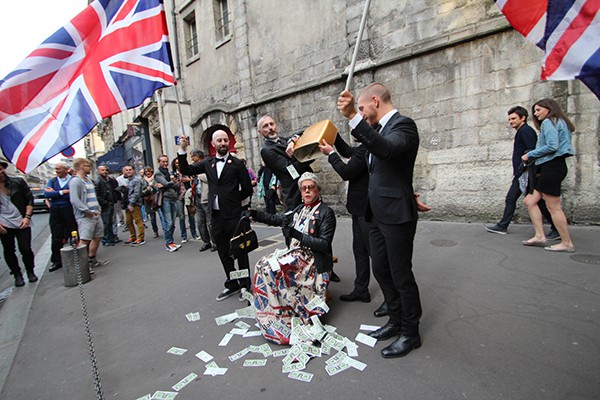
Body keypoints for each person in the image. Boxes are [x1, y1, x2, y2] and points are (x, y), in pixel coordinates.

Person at [337, 82, 422, 358]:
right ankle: (395, 320)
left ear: (375, 101)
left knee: (401, 275)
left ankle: (410, 332)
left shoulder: (403, 125)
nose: (361, 112)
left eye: (362, 108)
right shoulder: (376, 131)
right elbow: (380, 166)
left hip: (397, 217)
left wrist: (353, 116)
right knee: (381, 270)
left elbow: (387, 150)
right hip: (375, 214)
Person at [245, 172, 335, 344]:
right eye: (304, 189)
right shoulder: (299, 209)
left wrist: (297, 235)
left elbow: (324, 244)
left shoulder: (326, 212)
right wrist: (254, 214)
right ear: (300, 192)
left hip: (312, 259)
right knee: (261, 266)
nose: (307, 191)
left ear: (318, 190)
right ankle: (272, 313)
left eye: (311, 188)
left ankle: (288, 314)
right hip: (294, 254)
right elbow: (277, 219)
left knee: (272, 269)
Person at [178, 130, 253, 301]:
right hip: (216, 216)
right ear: (213, 144)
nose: (223, 143)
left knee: (240, 251)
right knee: (223, 252)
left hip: (233, 215)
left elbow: (247, 188)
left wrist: (233, 201)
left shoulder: (237, 163)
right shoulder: (207, 163)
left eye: (225, 140)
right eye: (219, 140)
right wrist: (183, 149)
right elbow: (186, 169)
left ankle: (244, 284)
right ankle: (232, 282)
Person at [486, 106, 558, 238]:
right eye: (509, 119)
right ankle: (556, 228)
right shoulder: (522, 131)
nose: (511, 121)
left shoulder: (525, 131)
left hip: (525, 173)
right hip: (523, 172)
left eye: (513, 118)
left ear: (523, 118)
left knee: (514, 199)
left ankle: (503, 226)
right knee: (535, 201)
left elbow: (532, 150)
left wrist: (527, 170)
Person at [319, 135, 372, 303]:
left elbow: (346, 172)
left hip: (367, 210)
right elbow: (348, 151)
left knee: (376, 256)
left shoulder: (368, 146)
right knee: (360, 251)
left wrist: (331, 154)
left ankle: (392, 298)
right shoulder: (364, 146)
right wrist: (333, 135)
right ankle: (361, 289)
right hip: (359, 210)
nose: (353, 125)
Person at [521, 99, 576, 252]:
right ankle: (540, 236)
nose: (536, 114)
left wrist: (530, 155)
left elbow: (552, 145)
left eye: (538, 110)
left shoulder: (548, 122)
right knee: (530, 200)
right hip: (554, 167)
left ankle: (567, 243)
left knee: (554, 207)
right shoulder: (561, 122)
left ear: (549, 108)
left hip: (551, 167)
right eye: (535, 111)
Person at [258, 115, 313, 210]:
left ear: (276, 126)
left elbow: (303, 132)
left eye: (271, 124)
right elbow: (291, 170)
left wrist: (293, 140)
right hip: (294, 193)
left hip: (308, 186)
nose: (270, 128)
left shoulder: (283, 140)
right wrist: (309, 155)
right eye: (265, 126)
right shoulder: (266, 150)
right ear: (260, 132)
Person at [0, 161, 37, 287]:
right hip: (4, 224)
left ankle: (30, 271)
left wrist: (27, 217)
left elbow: (30, 200)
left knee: (25, 248)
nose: (0, 173)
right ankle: (17, 274)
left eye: (1, 169)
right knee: (9, 250)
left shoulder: (18, 182)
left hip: (22, 221)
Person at [69, 158, 109, 271]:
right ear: (81, 166)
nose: (89, 167)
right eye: (87, 165)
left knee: (98, 236)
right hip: (86, 216)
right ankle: (82, 266)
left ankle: (92, 259)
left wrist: (98, 209)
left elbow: (93, 196)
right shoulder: (76, 181)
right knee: (84, 239)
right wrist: (87, 211)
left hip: (96, 214)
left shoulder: (88, 180)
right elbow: (74, 199)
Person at [44, 162, 77, 271]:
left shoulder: (73, 180)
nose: (56, 171)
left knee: (74, 232)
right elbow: (47, 194)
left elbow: (74, 194)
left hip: (69, 208)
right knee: (56, 236)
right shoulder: (52, 181)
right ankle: (57, 261)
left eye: (58, 169)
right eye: (56, 169)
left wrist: (56, 193)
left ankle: (77, 256)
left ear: (66, 169)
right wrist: (63, 192)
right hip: (55, 210)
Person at [154, 155, 181, 252]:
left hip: (173, 198)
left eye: (166, 161)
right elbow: (167, 183)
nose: (165, 164)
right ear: (159, 162)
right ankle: (168, 243)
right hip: (165, 199)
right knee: (168, 223)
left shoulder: (169, 172)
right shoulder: (158, 173)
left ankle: (171, 242)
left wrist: (170, 183)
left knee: (173, 223)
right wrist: (170, 182)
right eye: (163, 162)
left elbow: (177, 185)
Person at [190, 150, 215, 252]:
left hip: (206, 197)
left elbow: (210, 178)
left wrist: (198, 175)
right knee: (200, 221)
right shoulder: (194, 167)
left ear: (197, 156)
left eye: (193, 156)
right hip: (197, 197)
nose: (191, 159)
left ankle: (215, 242)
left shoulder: (208, 165)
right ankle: (206, 241)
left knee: (210, 222)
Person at [94, 165, 119, 246]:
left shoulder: (107, 180)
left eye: (106, 170)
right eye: (102, 170)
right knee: (106, 223)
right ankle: (106, 239)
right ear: (98, 171)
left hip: (110, 203)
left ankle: (111, 238)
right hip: (105, 205)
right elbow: (97, 195)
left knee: (110, 222)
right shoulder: (98, 181)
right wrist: (105, 202)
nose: (105, 171)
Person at [123, 165, 145, 246]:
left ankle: (141, 238)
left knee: (138, 221)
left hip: (134, 204)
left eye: (130, 170)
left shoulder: (136, 180)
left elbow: (136, 193)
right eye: (127, 170)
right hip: (128, 203)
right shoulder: (128, 180)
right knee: (128, 221)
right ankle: (133, 236)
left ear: (133, 171)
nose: (128, 171)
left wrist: (131, 204)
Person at [142, 166, 160, 238]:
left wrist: (153, 186)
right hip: (149, 201)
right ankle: (155, 231)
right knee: (152, 218)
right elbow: (141, 192)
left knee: (162, 215)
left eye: (149, 171)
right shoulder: (142, 180)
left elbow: (158, 188)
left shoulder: (155, 178)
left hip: (157, 199)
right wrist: (147, 190)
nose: (147, 173)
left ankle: (166, 229)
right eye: (146, 172)